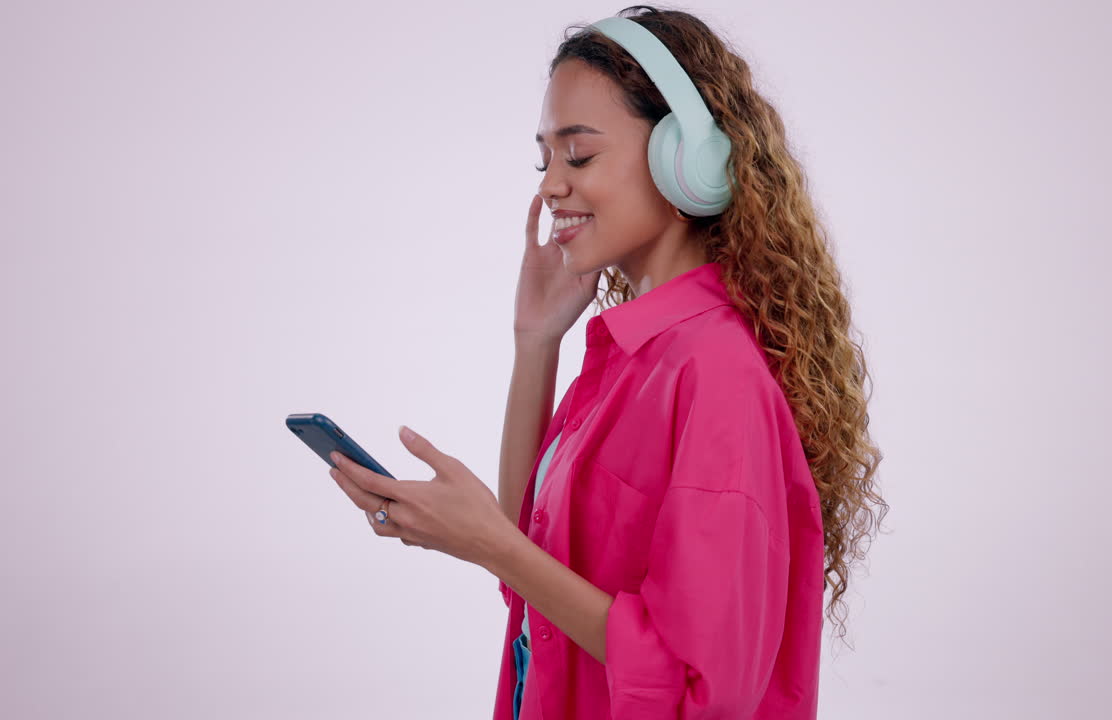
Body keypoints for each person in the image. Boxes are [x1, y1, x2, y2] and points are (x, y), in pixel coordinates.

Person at [329, 5, 886, 719]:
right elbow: (537, 567)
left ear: (688, 159)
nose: (550, 185)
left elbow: (700, 693)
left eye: (579, 154)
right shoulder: (633, 355)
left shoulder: (713, 372)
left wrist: (495, 547)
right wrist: (535, 342)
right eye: (545, 158)